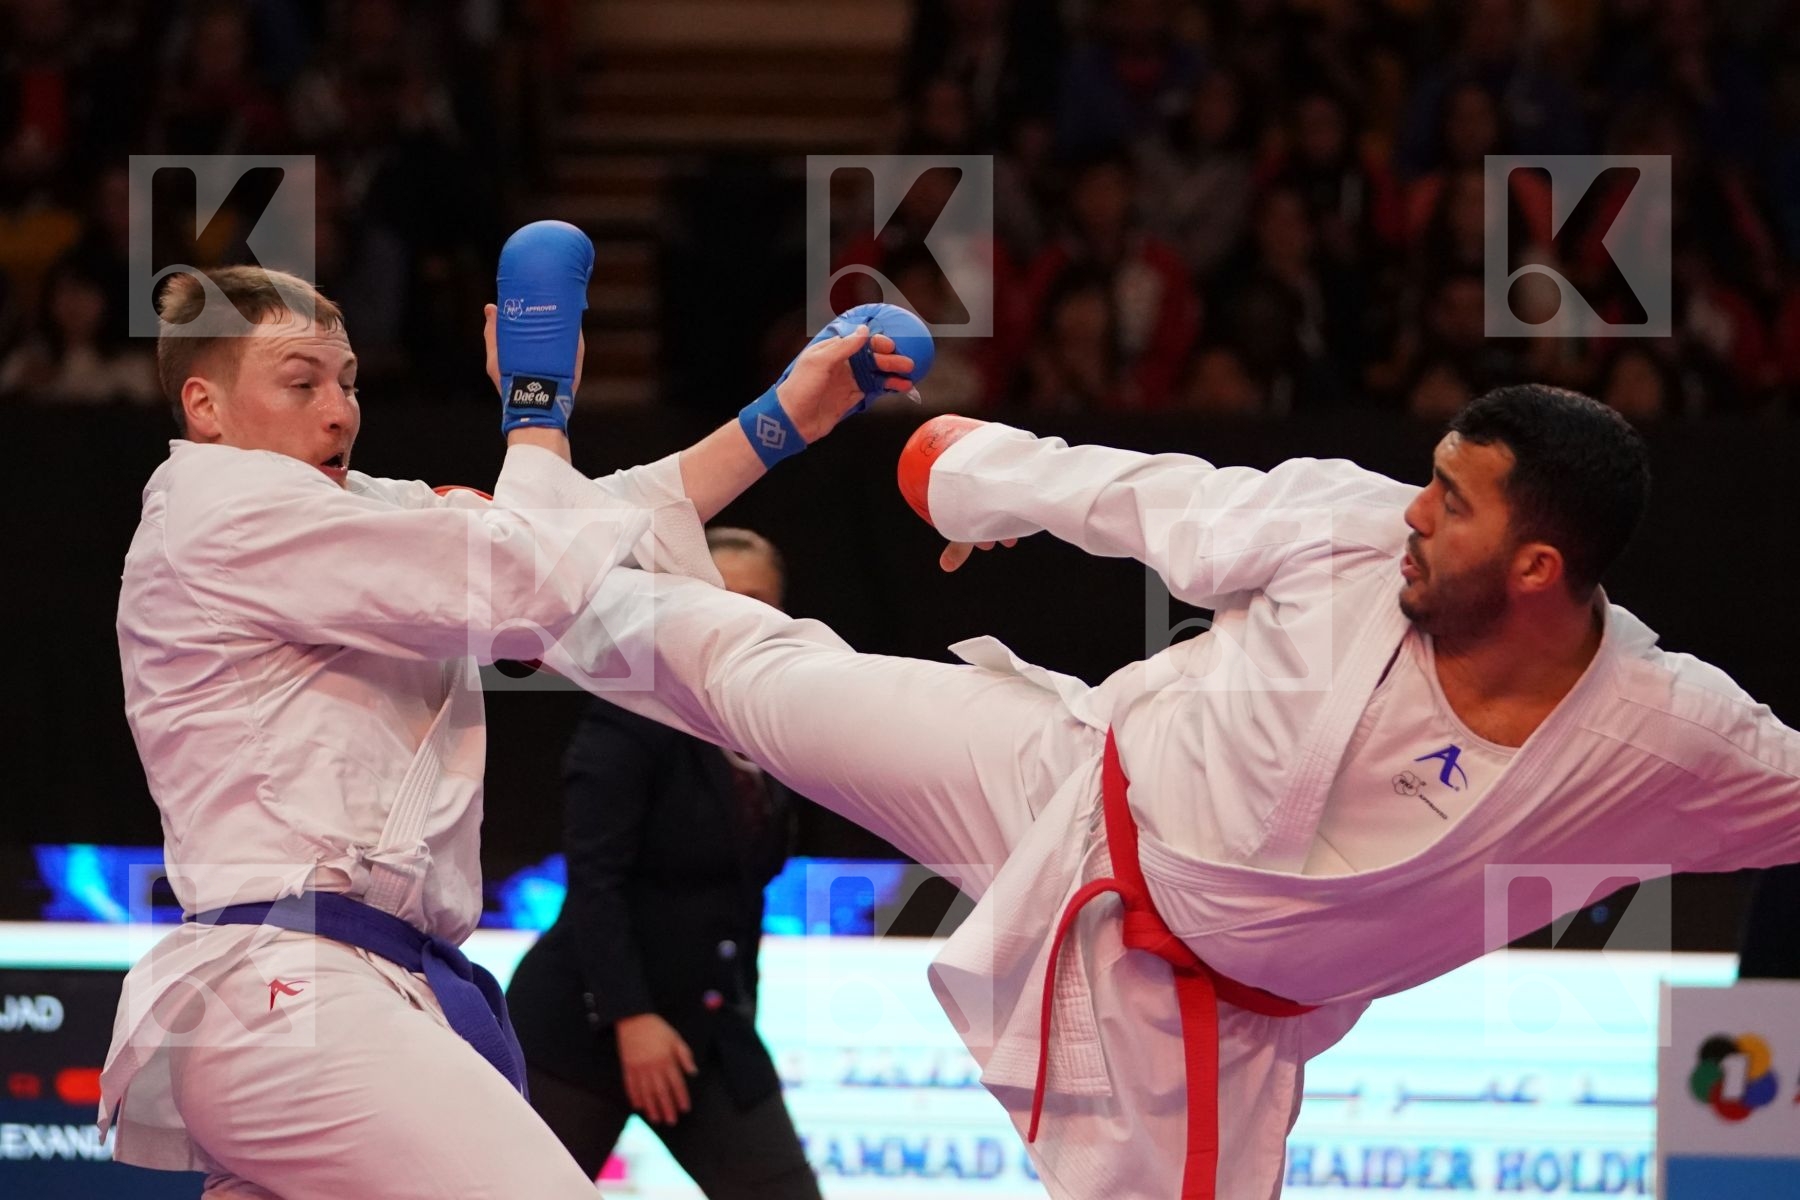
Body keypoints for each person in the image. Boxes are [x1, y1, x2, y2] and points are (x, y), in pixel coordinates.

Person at [536, 385, 1800, 1200]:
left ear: (1538, 565)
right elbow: (1159, 497)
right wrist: (972, 471)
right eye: (1429, 475)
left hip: (1202, 1022)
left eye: (1450, 503)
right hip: (1066, 784)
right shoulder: (1348, 529)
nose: (1412, 512)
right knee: (770, 681)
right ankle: (516, 564)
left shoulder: (1667, 733)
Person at [97, 223, 921, 1200]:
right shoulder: (226, 511)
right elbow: (522, 580)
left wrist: (781, 420)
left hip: (338, 993)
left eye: (349, 379)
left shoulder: (354, 515)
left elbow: (581, 535)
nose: (338, 413)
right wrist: (535, 406)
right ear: (207, 405)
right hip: (296, 994)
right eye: (300, 381)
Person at [507, 528, 818, 1197]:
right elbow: (595, 881)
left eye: (758, 600)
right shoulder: (629, 716)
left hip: (708, 1033)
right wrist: (630, 1016)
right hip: (584, 1030)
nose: (739, 613)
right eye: (720, 596)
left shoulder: (779, 727)